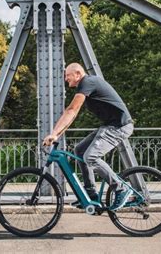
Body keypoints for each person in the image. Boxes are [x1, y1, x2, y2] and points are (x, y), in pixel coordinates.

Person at [43, 63, 134, 211]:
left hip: (119, 126)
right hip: (110, 126)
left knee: (90, 157)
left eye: (67, 75)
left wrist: (54, 133)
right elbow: (72, 115)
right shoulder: (86, 85)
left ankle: (121, 188)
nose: (66, 79)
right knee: (79, 150)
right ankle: (90, 196)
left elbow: (72, 110)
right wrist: (57, 134)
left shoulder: (87, 82)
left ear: (78, 74)